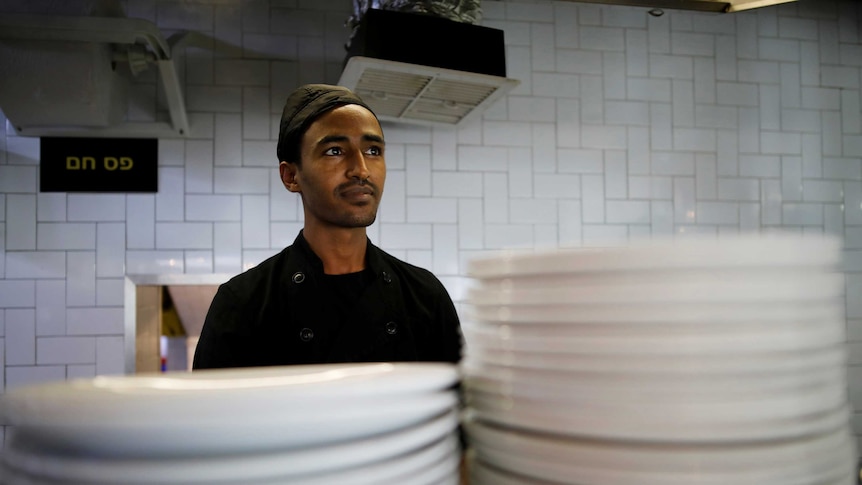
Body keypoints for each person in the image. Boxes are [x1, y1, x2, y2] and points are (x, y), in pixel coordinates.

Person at [193, 84, 463, 369]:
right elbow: (208, 413)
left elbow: (461, 408)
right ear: (291, 176)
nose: (361, 169)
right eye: (335, 151)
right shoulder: (244, 304)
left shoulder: (424, 296)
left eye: (373, 150)